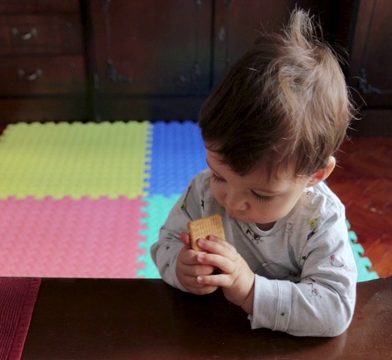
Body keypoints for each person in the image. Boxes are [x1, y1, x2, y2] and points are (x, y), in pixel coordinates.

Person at [151, 8, 357, 337]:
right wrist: (180, 266)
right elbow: (165, 244)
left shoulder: (320, 221)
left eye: (260, 193)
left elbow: (335, 310)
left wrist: (250, 291)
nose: (232, 202)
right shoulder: (202, 194)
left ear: (315, 175)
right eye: (219, 175)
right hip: (212, 336)